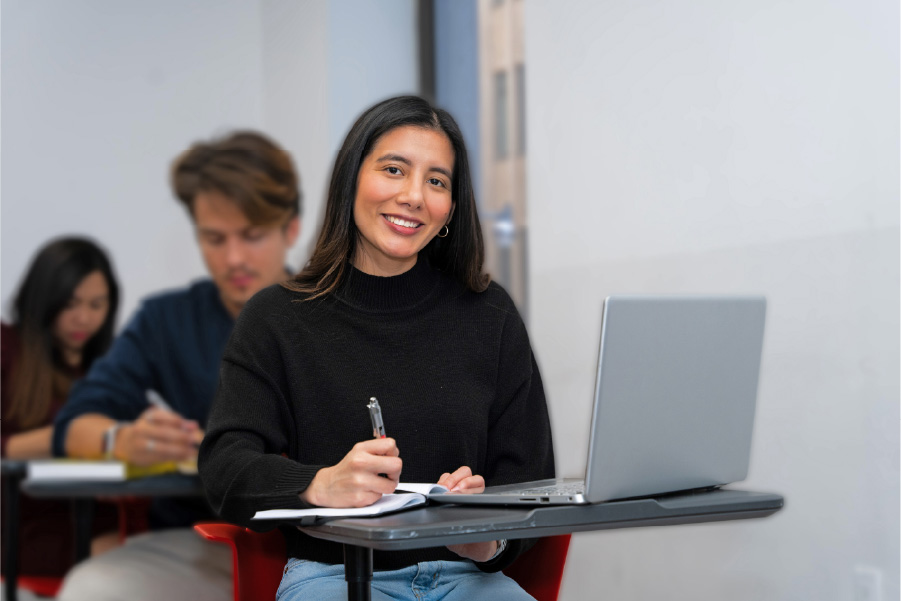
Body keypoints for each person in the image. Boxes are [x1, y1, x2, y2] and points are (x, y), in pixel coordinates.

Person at [199, 96, 555, 601]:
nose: (413, 195)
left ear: (450, 208)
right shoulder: (276, 317)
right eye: (394, 169)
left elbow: (529, 482)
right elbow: (224, 468)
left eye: (437, 181)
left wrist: (485, 541)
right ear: (352, 180)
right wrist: (318, 483)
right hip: (333, 578)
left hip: (469, 580)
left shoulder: (489, 314)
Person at [51, 131, 302, 601]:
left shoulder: (334, 310)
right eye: (213, 238)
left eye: (252, 236)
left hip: (325, 544)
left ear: (291, 228)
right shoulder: (166, 321)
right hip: (202, 543)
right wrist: (121, 440)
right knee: (91, 590)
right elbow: (74, 423)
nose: (233, 259)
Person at [1, 237, 122, 578]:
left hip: (106, 522)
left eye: (97, 304)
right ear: (44, 299)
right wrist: (66, 439)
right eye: (70, 303)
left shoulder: (110, 367)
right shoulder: (8, 348)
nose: (83, 318)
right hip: (28, 527)